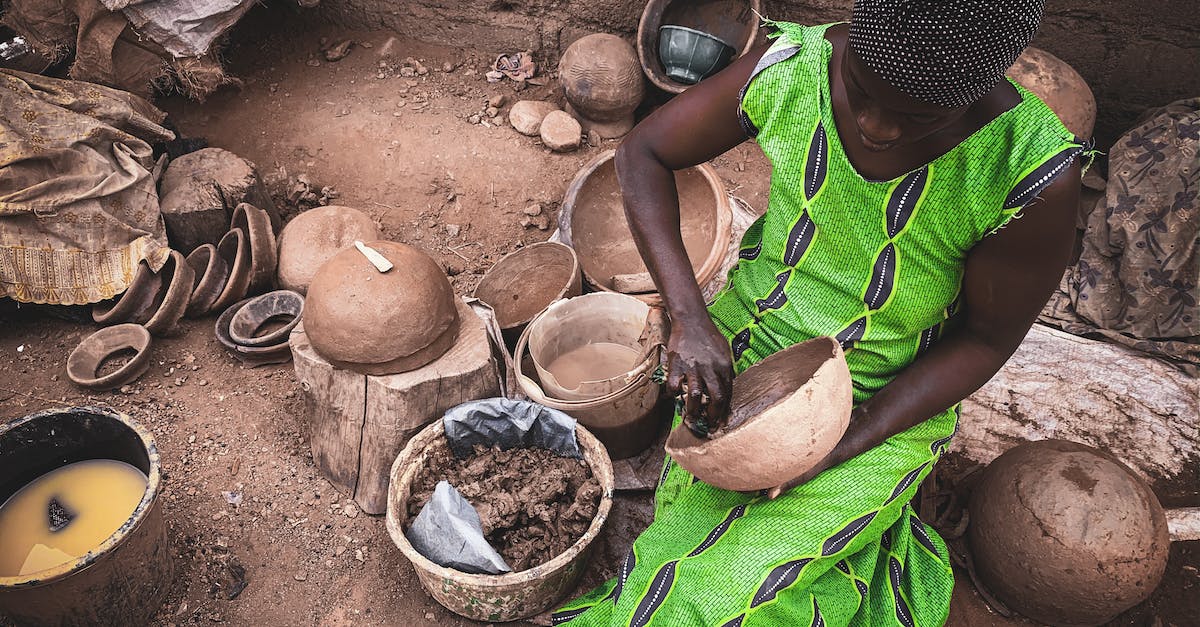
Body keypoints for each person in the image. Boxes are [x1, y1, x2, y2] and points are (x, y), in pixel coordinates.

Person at [554, 1, 1088, 625]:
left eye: (916, 115)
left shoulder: (1025, 173)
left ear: (982, 85)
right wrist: (691, 321)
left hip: (886, 397)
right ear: (852, 43)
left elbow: (985, 342)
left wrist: (845, 439)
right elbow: (643, 152)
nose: (875, 126)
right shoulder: (799, 66)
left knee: (712, 595)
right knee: (697, 556)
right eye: (859, 88)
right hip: (748, 347)